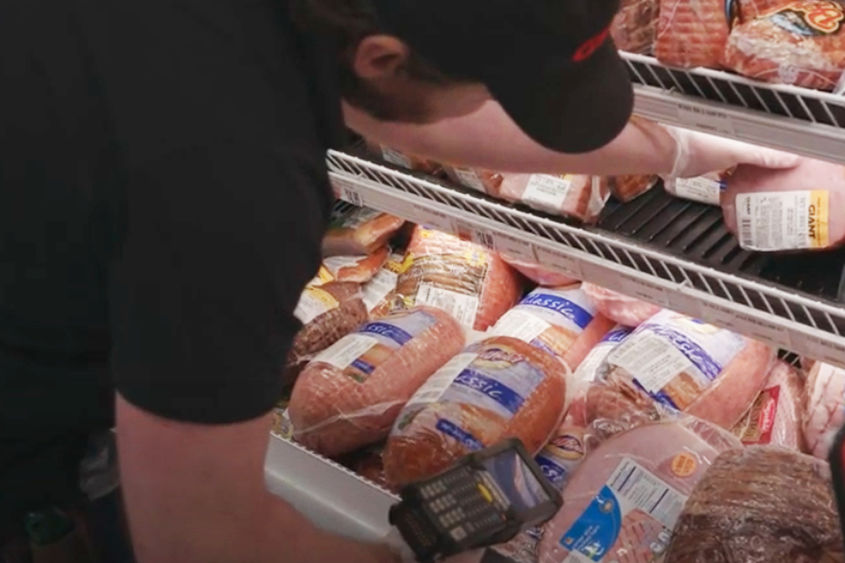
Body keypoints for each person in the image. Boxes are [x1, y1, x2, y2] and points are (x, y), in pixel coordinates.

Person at [0, 0, 796, 562]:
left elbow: (405, 104)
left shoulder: (321, 23)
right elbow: (203, 539)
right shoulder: (228, 183)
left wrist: (680, 152)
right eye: (500, 86)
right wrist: (396, 553)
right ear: (381, 55)